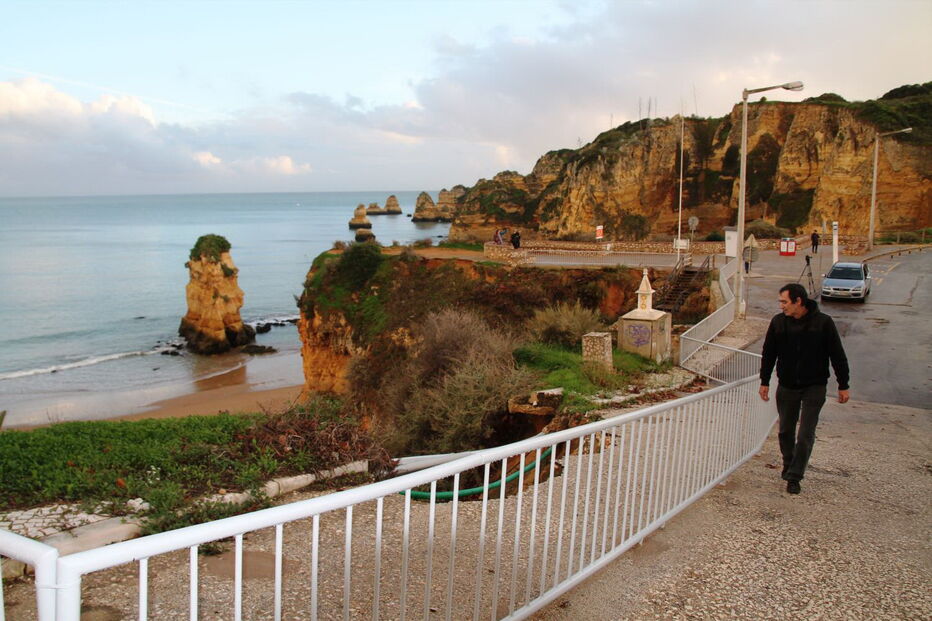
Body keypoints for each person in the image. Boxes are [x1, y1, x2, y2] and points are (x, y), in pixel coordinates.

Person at [759, 283, 849, 495]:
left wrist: (843, 385)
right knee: (785, 432)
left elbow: (837, 355)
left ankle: (794, 476)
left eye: (784, 302)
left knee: (806, 433)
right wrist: (764, 381)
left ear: (798, 301)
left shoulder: (824, 323)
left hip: (814, 386)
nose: (781, 306)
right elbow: (769, 353)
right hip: (787, 385)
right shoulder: (778, 322)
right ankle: (788, 464)